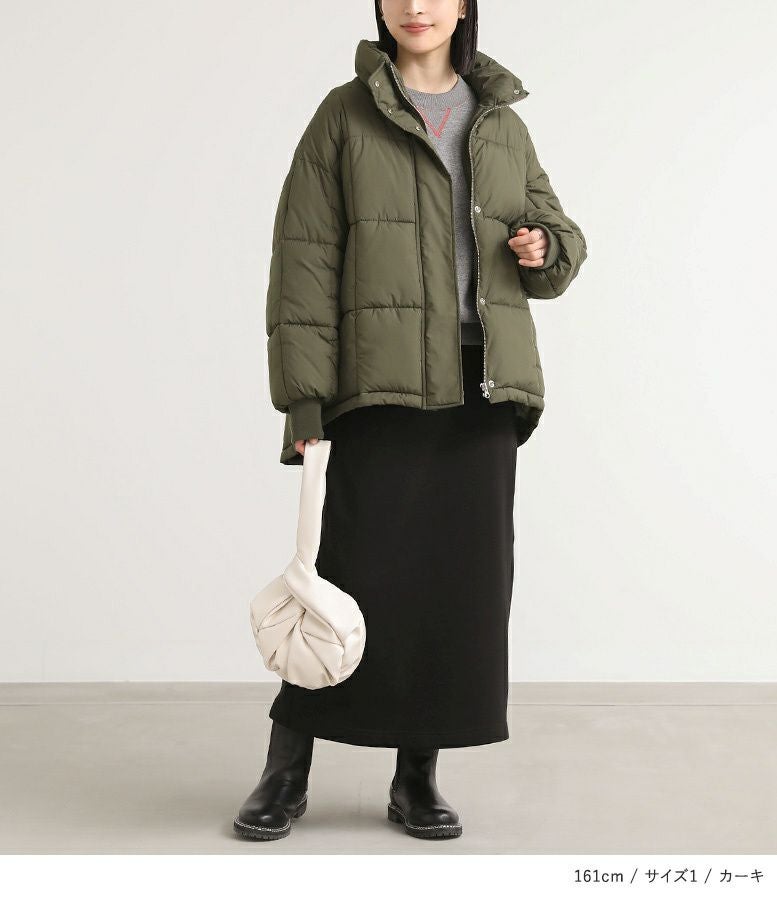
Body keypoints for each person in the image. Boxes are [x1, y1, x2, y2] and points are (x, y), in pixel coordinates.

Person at [234, 0, 587, 842]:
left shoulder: (500, 122)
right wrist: (304, 400)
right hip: (378, 385)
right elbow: (303, 261)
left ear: (464, 6)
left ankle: (416, 776)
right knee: (346, 575)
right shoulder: (344, 115)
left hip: (479, 390)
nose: (416, 6)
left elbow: (559, 240)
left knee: (454, 589)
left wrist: (543, 246)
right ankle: (286, 769)